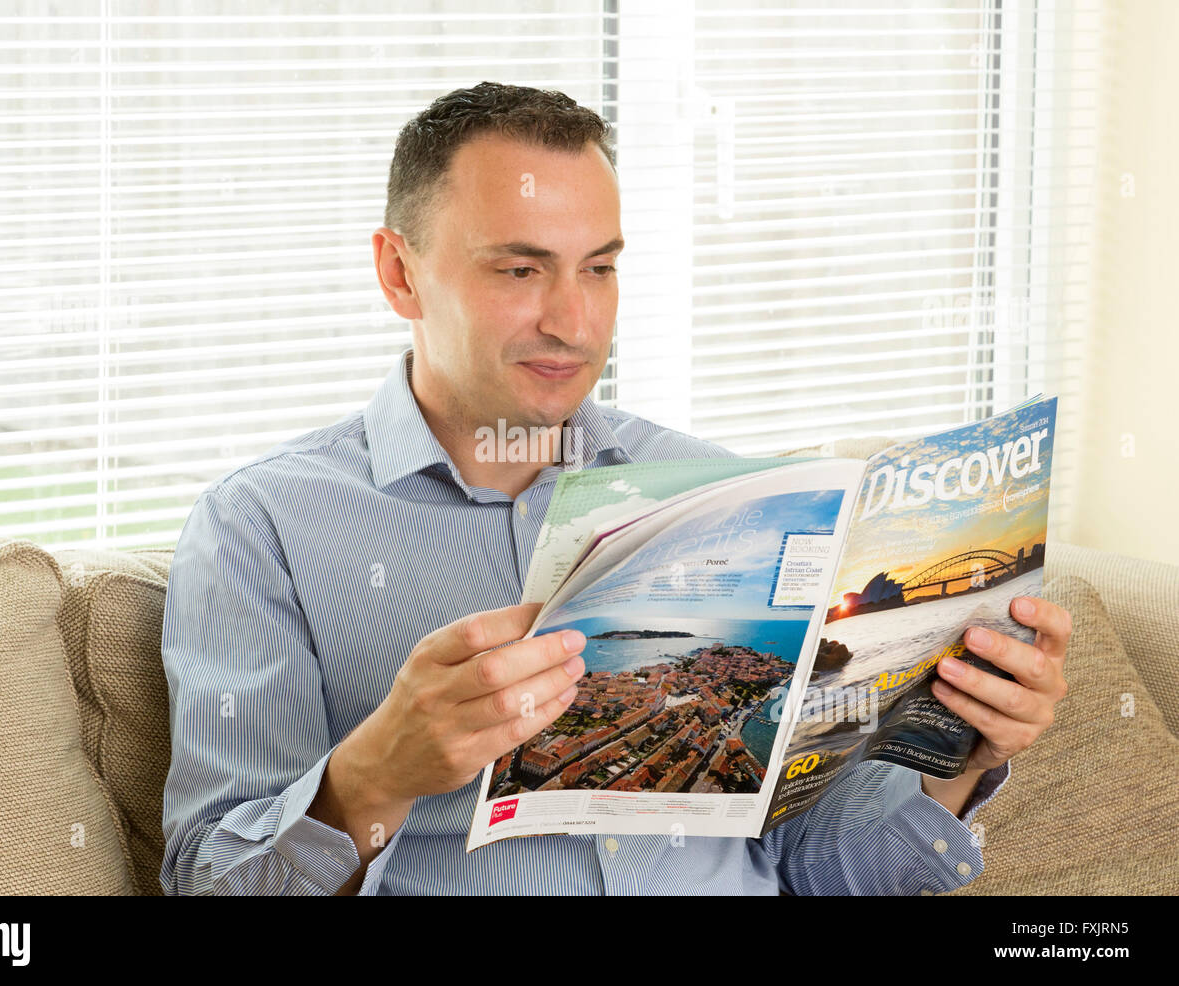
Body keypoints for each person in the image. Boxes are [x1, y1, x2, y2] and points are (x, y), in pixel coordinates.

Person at [159, 82, 1071, 896]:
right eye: (520, 269)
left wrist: (957, 757)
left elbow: (826, 872)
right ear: (401, 272)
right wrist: (373, 777)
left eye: (599, 266)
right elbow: (212, 885)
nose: (574, 319)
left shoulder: (724, 494)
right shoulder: (262, 527)